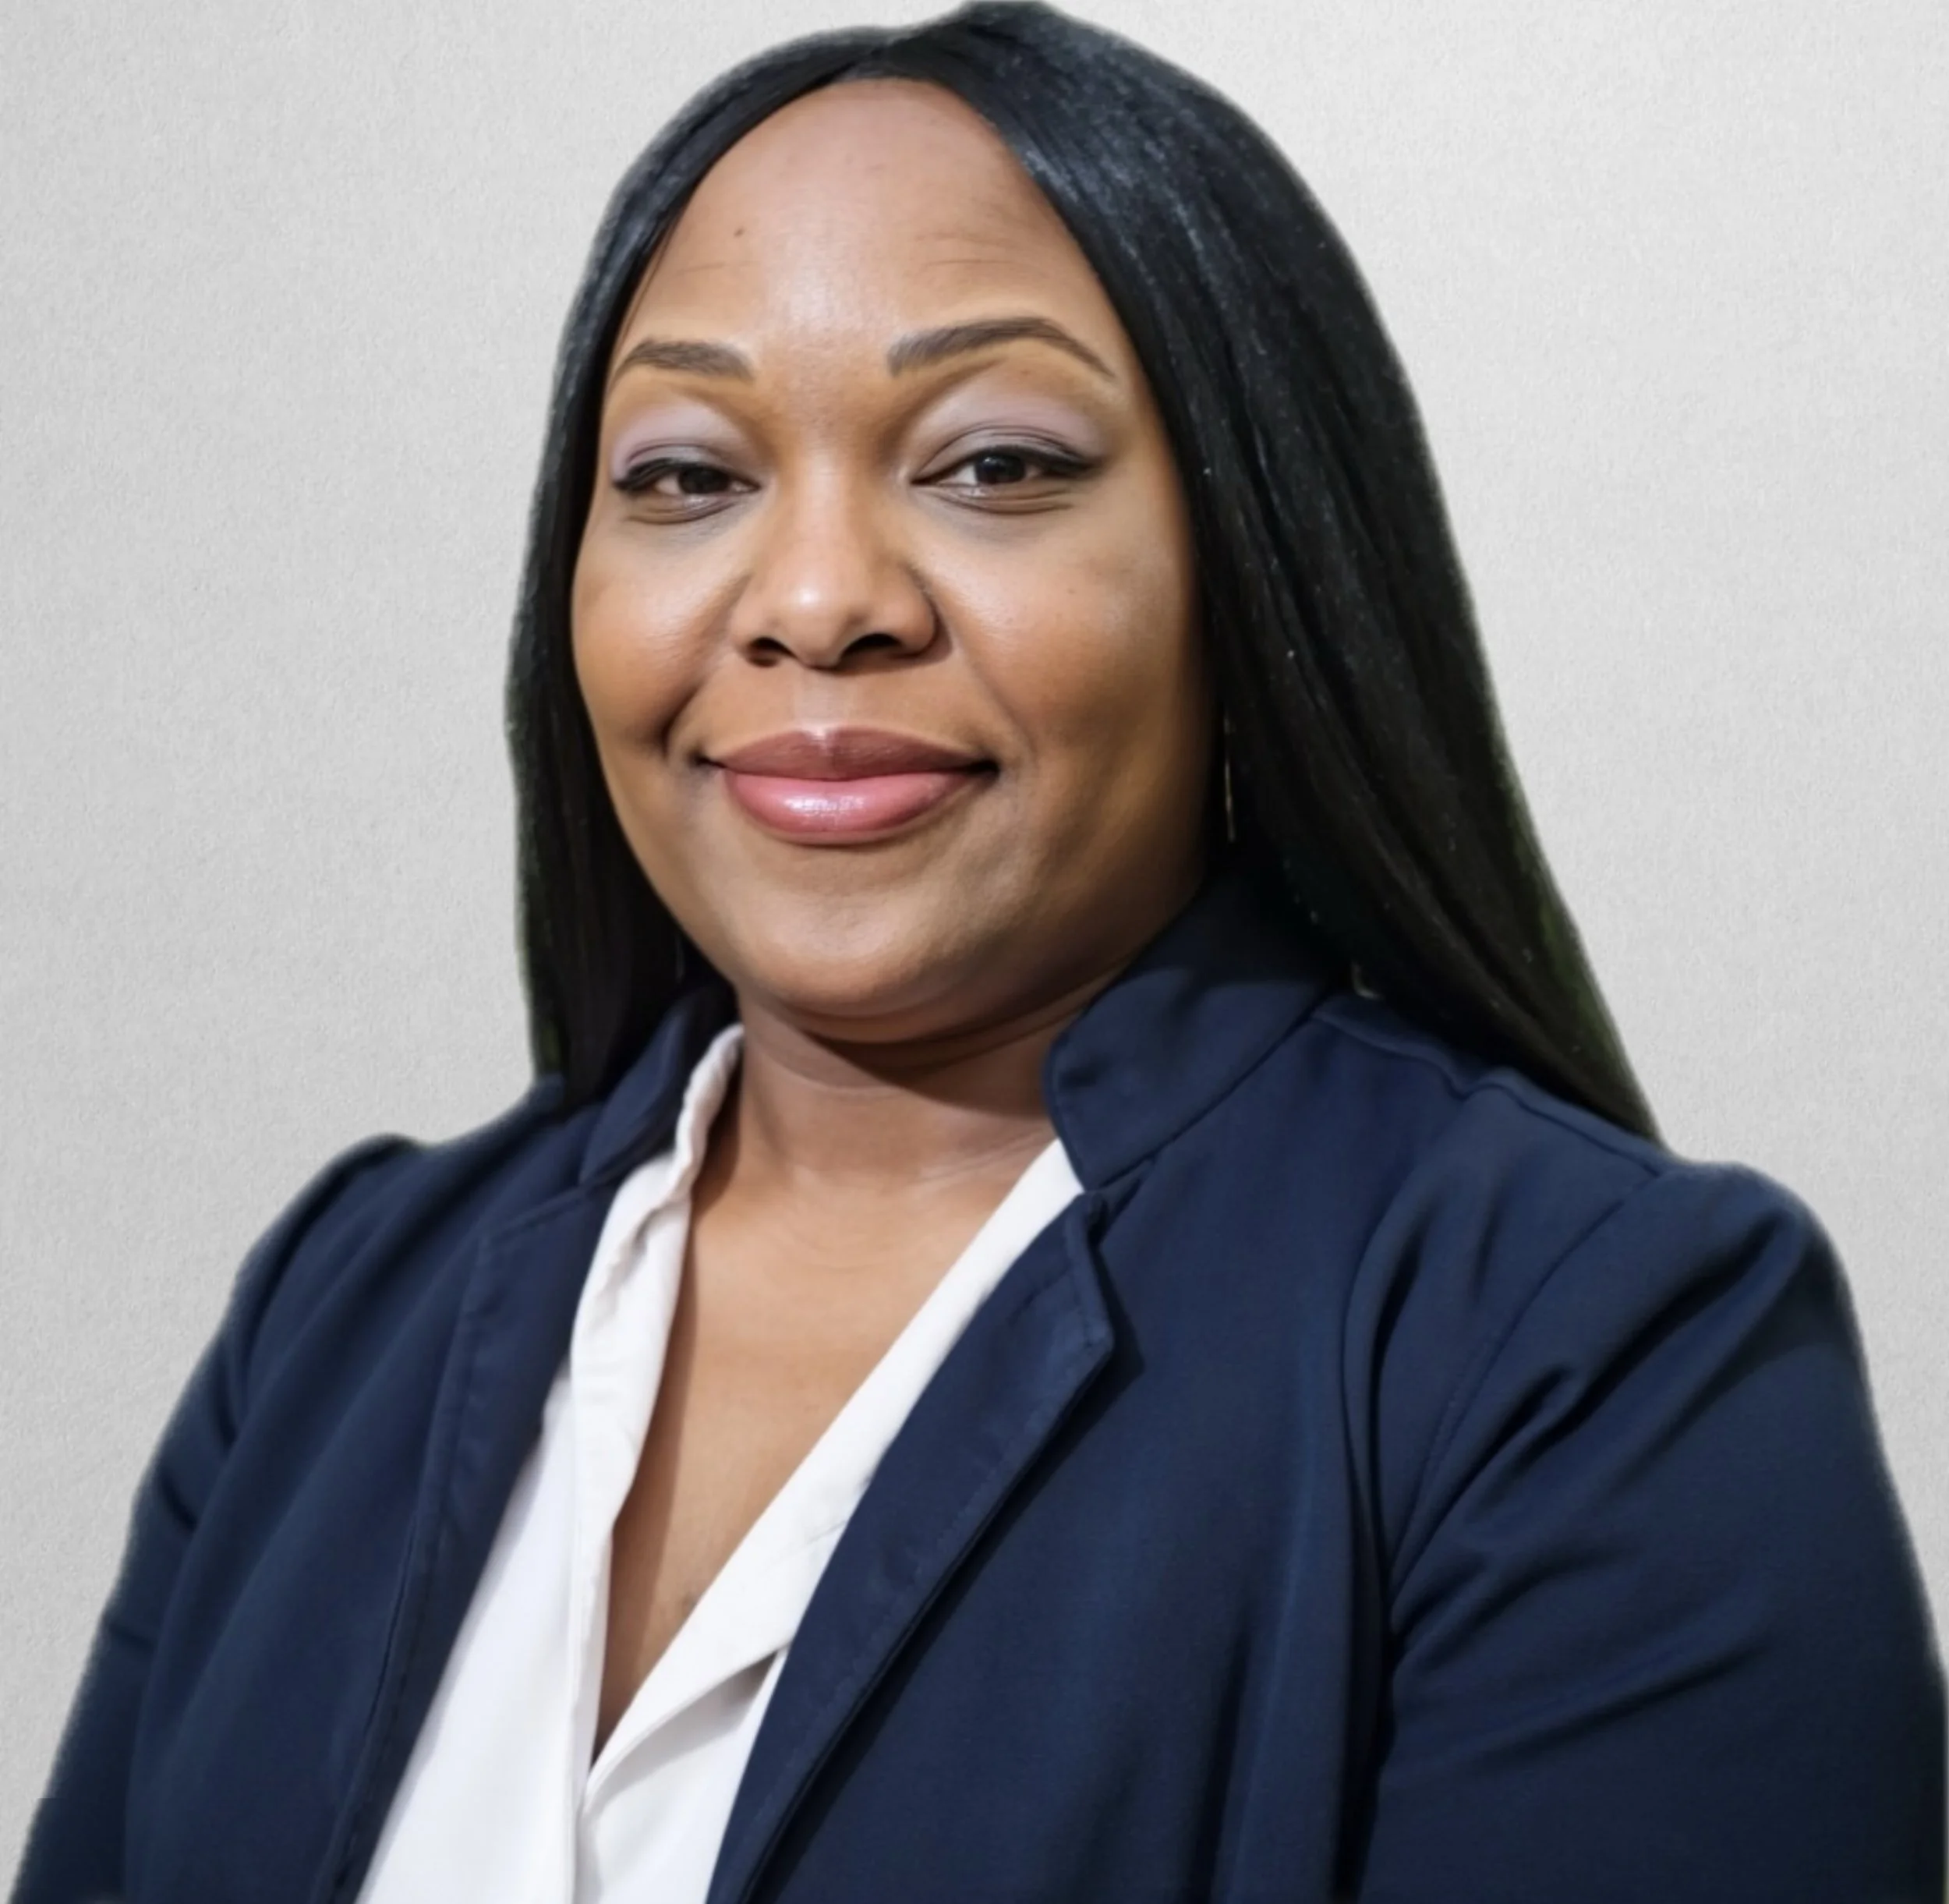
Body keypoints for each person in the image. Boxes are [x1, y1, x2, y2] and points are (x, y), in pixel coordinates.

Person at [14, 4, 1941, 1900]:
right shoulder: (348, 1302)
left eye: (994, 463)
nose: (815, 600)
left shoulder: (1587, 1346)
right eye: (686, 475)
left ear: (1251, 559)